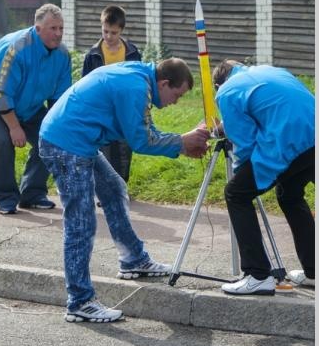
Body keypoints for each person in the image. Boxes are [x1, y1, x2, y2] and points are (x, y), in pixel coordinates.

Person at [39, 58, 210, 323]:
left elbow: (144, 128)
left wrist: (182, 146)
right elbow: (142, 140)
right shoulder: (136, 87)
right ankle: (80, 301)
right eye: (177, 95)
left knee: (113, 189)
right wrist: (182, 141)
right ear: (164, 83)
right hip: (66, 145)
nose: (176, 102)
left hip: (77, 141)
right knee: (80, 223)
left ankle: (133, 259)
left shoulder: (141, 80)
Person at [211, 60, 315, 296]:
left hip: (289, 140)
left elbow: (244, 143)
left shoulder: (225, 91)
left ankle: (257, 275)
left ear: (218, 85)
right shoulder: (270, 70)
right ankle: (315, 270)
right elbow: (270, 107)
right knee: (289, 195)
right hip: (314, 134)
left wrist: (241, 173)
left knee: (236, 193)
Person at [0, 3, 72, 215]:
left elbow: (59, 99)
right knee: (2, 143)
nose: (58, 33)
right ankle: (4, 197)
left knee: (52, 139)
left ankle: (32, 194)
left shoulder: (63, 55)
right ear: (37, 29)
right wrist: (14, 127)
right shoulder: (15, 48)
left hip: (30, 108)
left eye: (61, 28)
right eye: (53, 28)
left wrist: (59, 129)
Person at [82, 5, 142, 185]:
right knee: (104, 151)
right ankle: (105, 189)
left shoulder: (132, 53)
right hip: (101, 110)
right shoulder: (93, 55)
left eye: (113, 33)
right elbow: (85, 84)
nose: (108, 36)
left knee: (124, 150)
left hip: (125, 109)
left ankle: (121, 187)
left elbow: (139, 81)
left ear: (121, 30)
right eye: (105, 31)